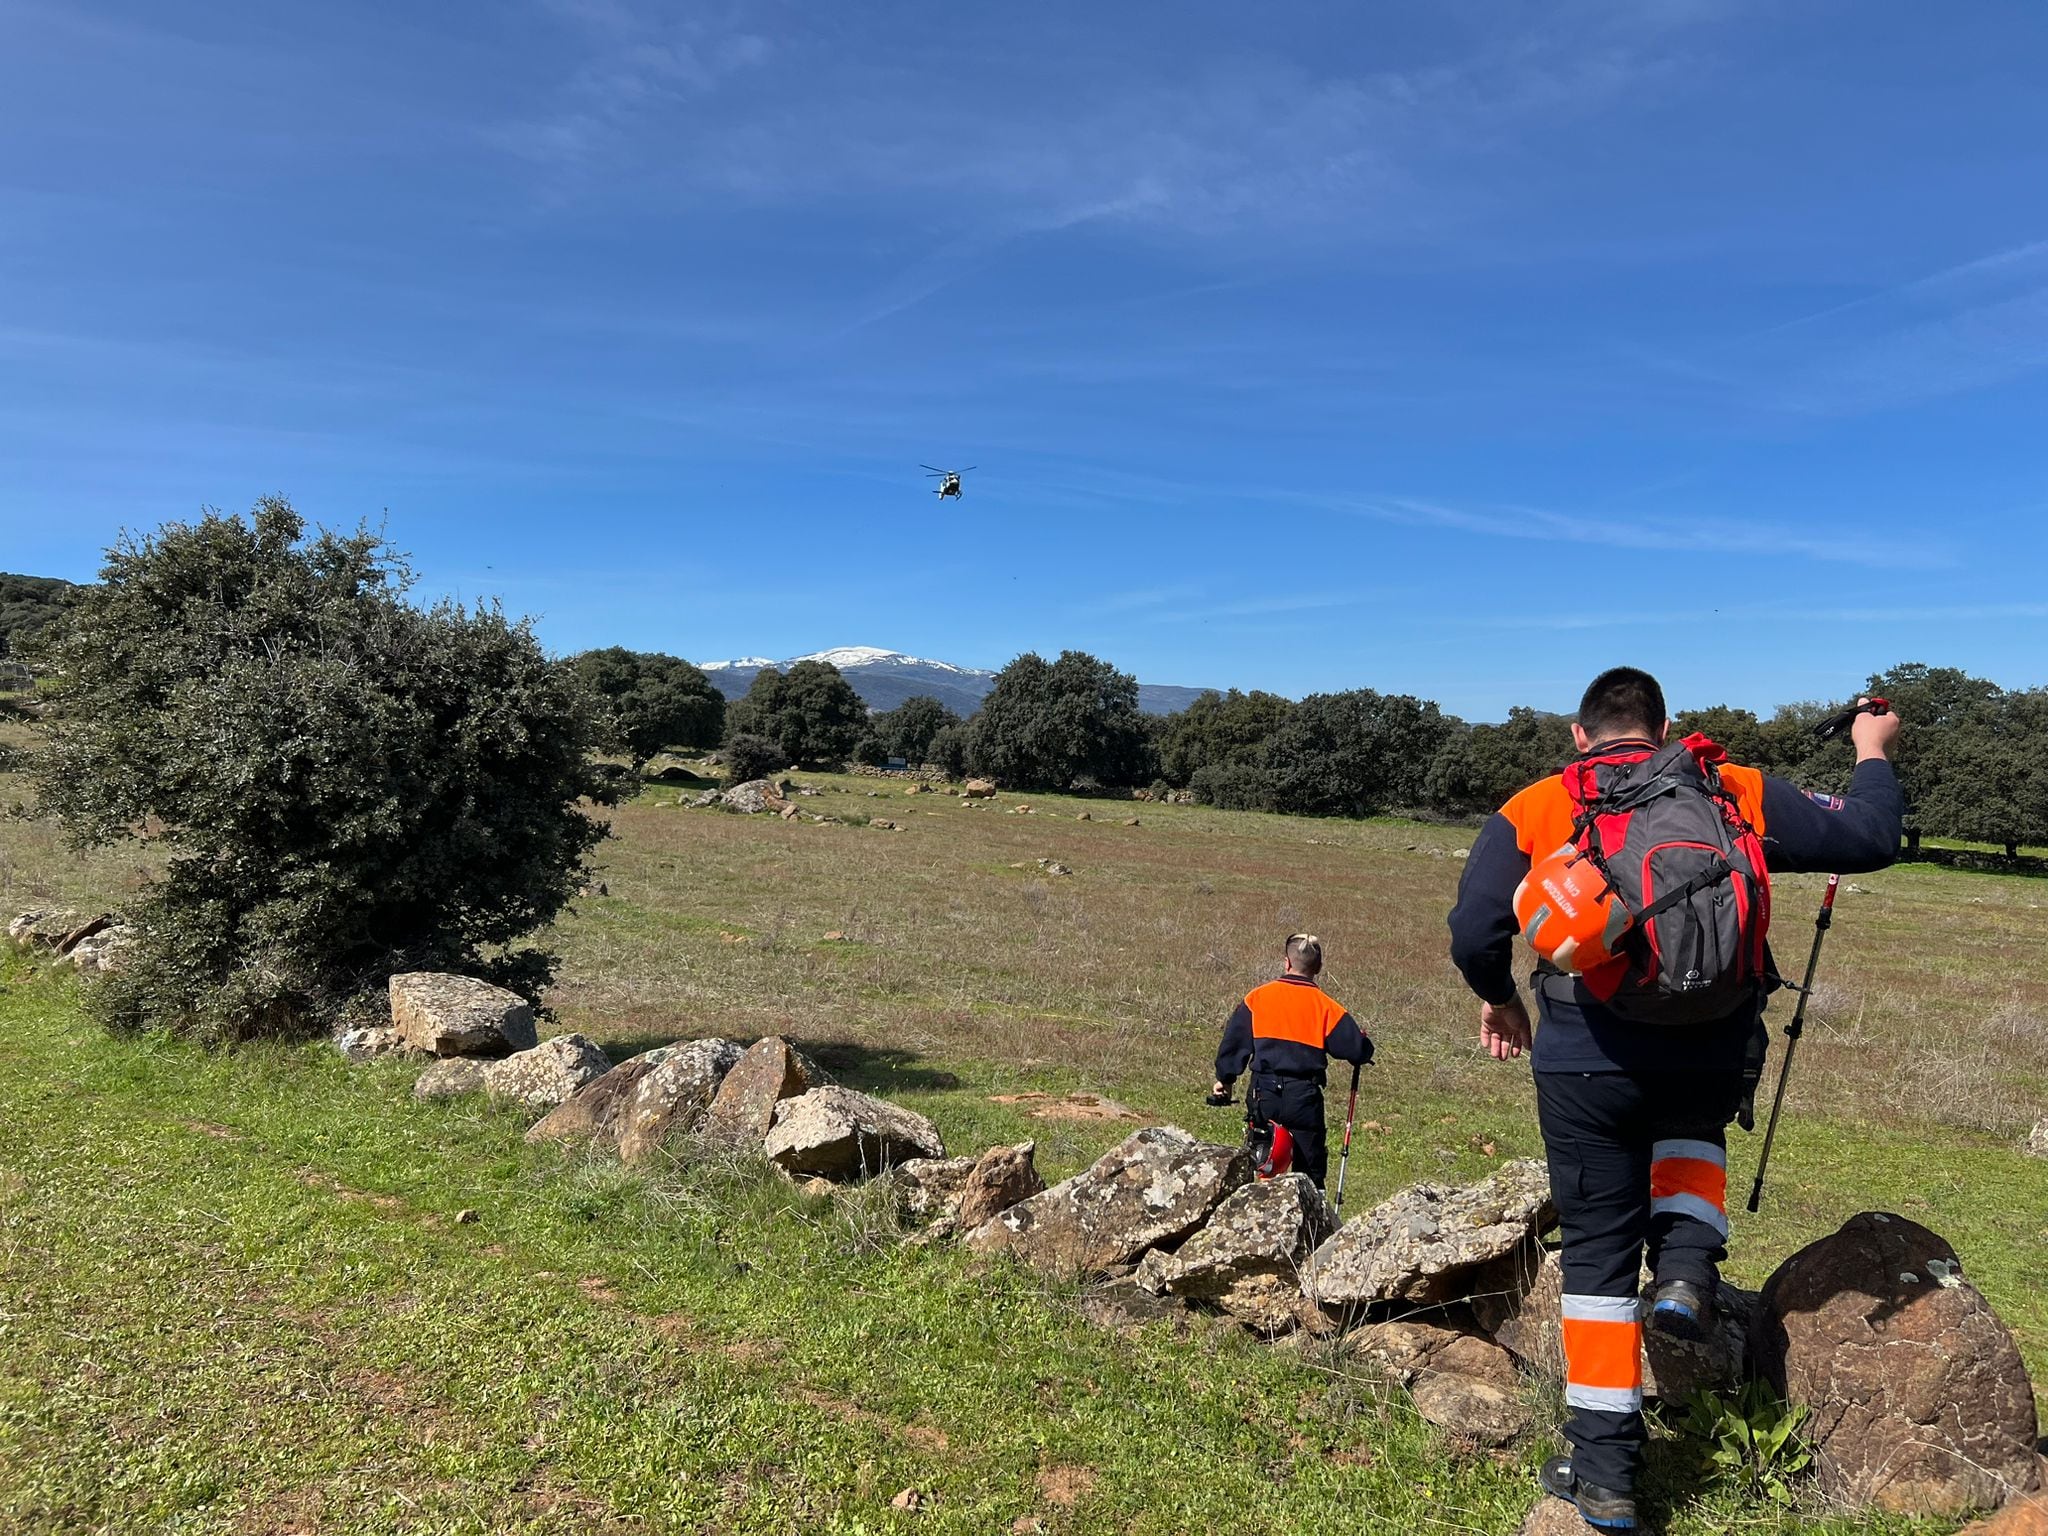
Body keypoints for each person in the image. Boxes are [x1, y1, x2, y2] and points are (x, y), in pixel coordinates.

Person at [1447, 667, 1900, 1532]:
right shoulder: (1731, 789)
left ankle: (1607, 1472)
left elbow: (1474, 928)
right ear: (1665, 728)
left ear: (1581, 736)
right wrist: (1870, 753)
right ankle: (1688, 1269)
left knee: (1598, 1261)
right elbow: (1873, 835)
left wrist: (1501, 997)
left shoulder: (1543, 803)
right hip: (1710, 1040)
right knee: (1693, 1129)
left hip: (1588, 1055)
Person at [1209, 933, 1373, 1189]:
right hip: (1304, 1098)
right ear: (1318, 968)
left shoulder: (1257, 999)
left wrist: (1225, 1079)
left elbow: (1234, 1044)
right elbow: (1357, 1050)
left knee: (1264, 1164)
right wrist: (1364, 1046)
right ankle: (1311, 1218)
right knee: (1309, 1174)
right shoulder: (1326, 1007)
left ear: (1287, 962)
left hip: (1264, 1093)